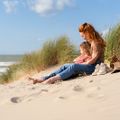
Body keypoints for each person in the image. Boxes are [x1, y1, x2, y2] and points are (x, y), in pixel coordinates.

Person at [29, 22, 106, 84]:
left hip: (94, 67)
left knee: (74, 66)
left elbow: (93, 61)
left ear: (88, 32)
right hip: (91, 66)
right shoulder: (92, 42)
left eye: (83, 36)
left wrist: (81, 64)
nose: (83, 38)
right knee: (65, 66)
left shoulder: (95, 43)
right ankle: (44, 78)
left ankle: (53, 79)